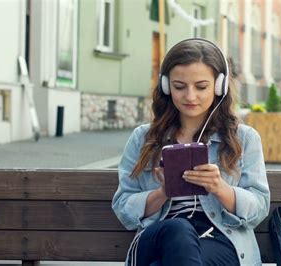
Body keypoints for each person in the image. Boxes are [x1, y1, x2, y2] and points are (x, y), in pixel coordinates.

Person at [112, 38, 270, 266]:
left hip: (220, 238)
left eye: (201, 86)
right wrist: (163, 192)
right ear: (166, 86)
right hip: (158, 235)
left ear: (219, 86)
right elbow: (123, 207)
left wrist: (220, 188)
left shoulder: (244, 138)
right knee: (178, 229)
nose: (190, 96)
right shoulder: (143, 138)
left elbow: (259, 208)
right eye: (179, 86)